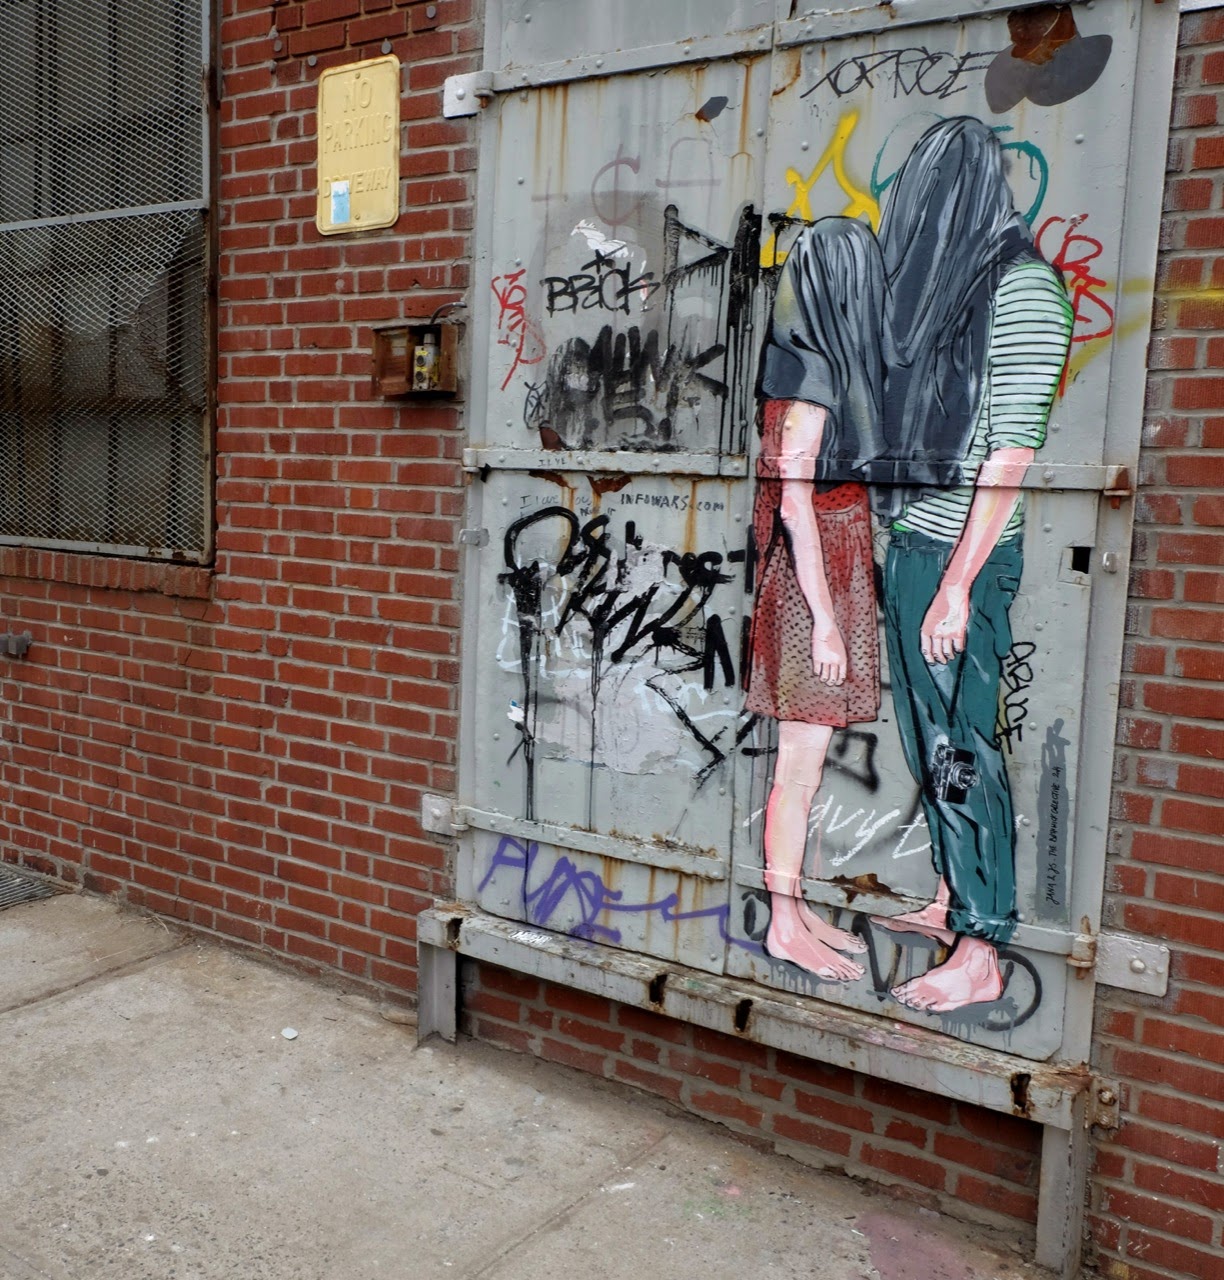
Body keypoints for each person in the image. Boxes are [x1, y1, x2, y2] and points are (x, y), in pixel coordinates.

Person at [872, 117, 1074, 1012]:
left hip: (965, 559)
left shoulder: (1023, 288)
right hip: (917, 547)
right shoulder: (960, 290)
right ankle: (955, 896)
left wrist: (956, 586)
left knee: (963, 746)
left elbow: (1011, 454)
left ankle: (983, 945)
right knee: (929, 738)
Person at [744, 217, 887, 982]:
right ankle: (783, 922)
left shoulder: (807, 368)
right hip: (812, 587)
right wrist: (827, 623)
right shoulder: (810, 379)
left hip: (822, 575)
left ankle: (794, 909)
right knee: (797, 768)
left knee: (804, 765)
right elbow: (796, 505)